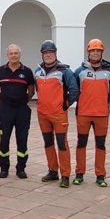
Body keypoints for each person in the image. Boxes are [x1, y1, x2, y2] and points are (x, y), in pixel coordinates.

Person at [34, 40, 78, 188]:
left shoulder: (65, 71)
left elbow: (74, 90)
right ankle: (53, 170)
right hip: (43, 114)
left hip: (59, 114)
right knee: (48, 143)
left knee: (62, 144)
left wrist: (65, 105)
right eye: (45, 53)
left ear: (55, 53)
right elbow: (38, 90)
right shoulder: (37, 71)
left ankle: (65, 175)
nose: (48, 55)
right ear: (42, 55)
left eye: (50, 52)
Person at [73, 39, 110, 187]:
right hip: (83, 113)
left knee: (101, 145)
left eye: (98, 50)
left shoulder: (109, 72)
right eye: (93, 50)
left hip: (102, 114)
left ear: (102, 52)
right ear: (88, 52)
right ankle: (79, 173)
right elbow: (74, 90)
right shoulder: (80, 72)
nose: (96, 53)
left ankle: (100, 175)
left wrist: (103, 100)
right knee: (81, 144)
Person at [0, 44, 35, 179]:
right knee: (4, 139)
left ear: (20, 55)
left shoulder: (27, 72)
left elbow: (31, 91)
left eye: (16, 53)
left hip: (22, 110)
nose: (13, 55)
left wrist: (22, 102)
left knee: (22, 139)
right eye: (11, 53)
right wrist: (4, 104)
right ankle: (4, 168)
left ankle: (21, 168)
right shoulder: (0, 71)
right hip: (5, 110)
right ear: (7, 55)